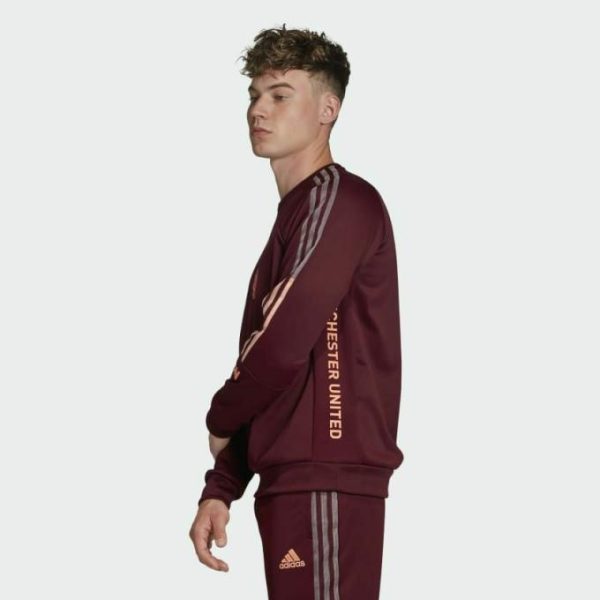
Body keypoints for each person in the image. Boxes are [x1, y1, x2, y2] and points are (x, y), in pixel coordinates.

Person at [189, 24, 404, 600]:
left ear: (328, 109)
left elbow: (282, 342)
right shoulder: (299, 215)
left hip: (325, 476)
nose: (258, 109)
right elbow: (279, 364)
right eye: (255, 95)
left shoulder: (339, 201)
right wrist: (223, 484)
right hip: (298, 479)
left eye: (281, 95)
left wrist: (220, 419)